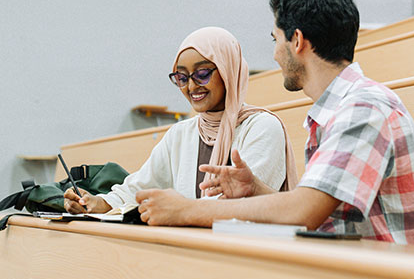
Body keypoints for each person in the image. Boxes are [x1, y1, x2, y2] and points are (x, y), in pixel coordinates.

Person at [136, 0, 414, 247]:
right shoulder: (341, 107)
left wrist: (186, 210)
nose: (273, 54)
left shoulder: (365, 107)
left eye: (276, 39)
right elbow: (323, 214)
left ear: (297, 40)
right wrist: (254, 189)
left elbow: (304, 211)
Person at [64, 27, 298, 214]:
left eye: (202, 74)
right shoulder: (180, 134)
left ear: (228, 70)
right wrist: (98, 202)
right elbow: (139, 187)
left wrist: (181, 211)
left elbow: (246, 207)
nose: (192, 86)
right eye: (182, 77)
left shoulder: (262, 127)